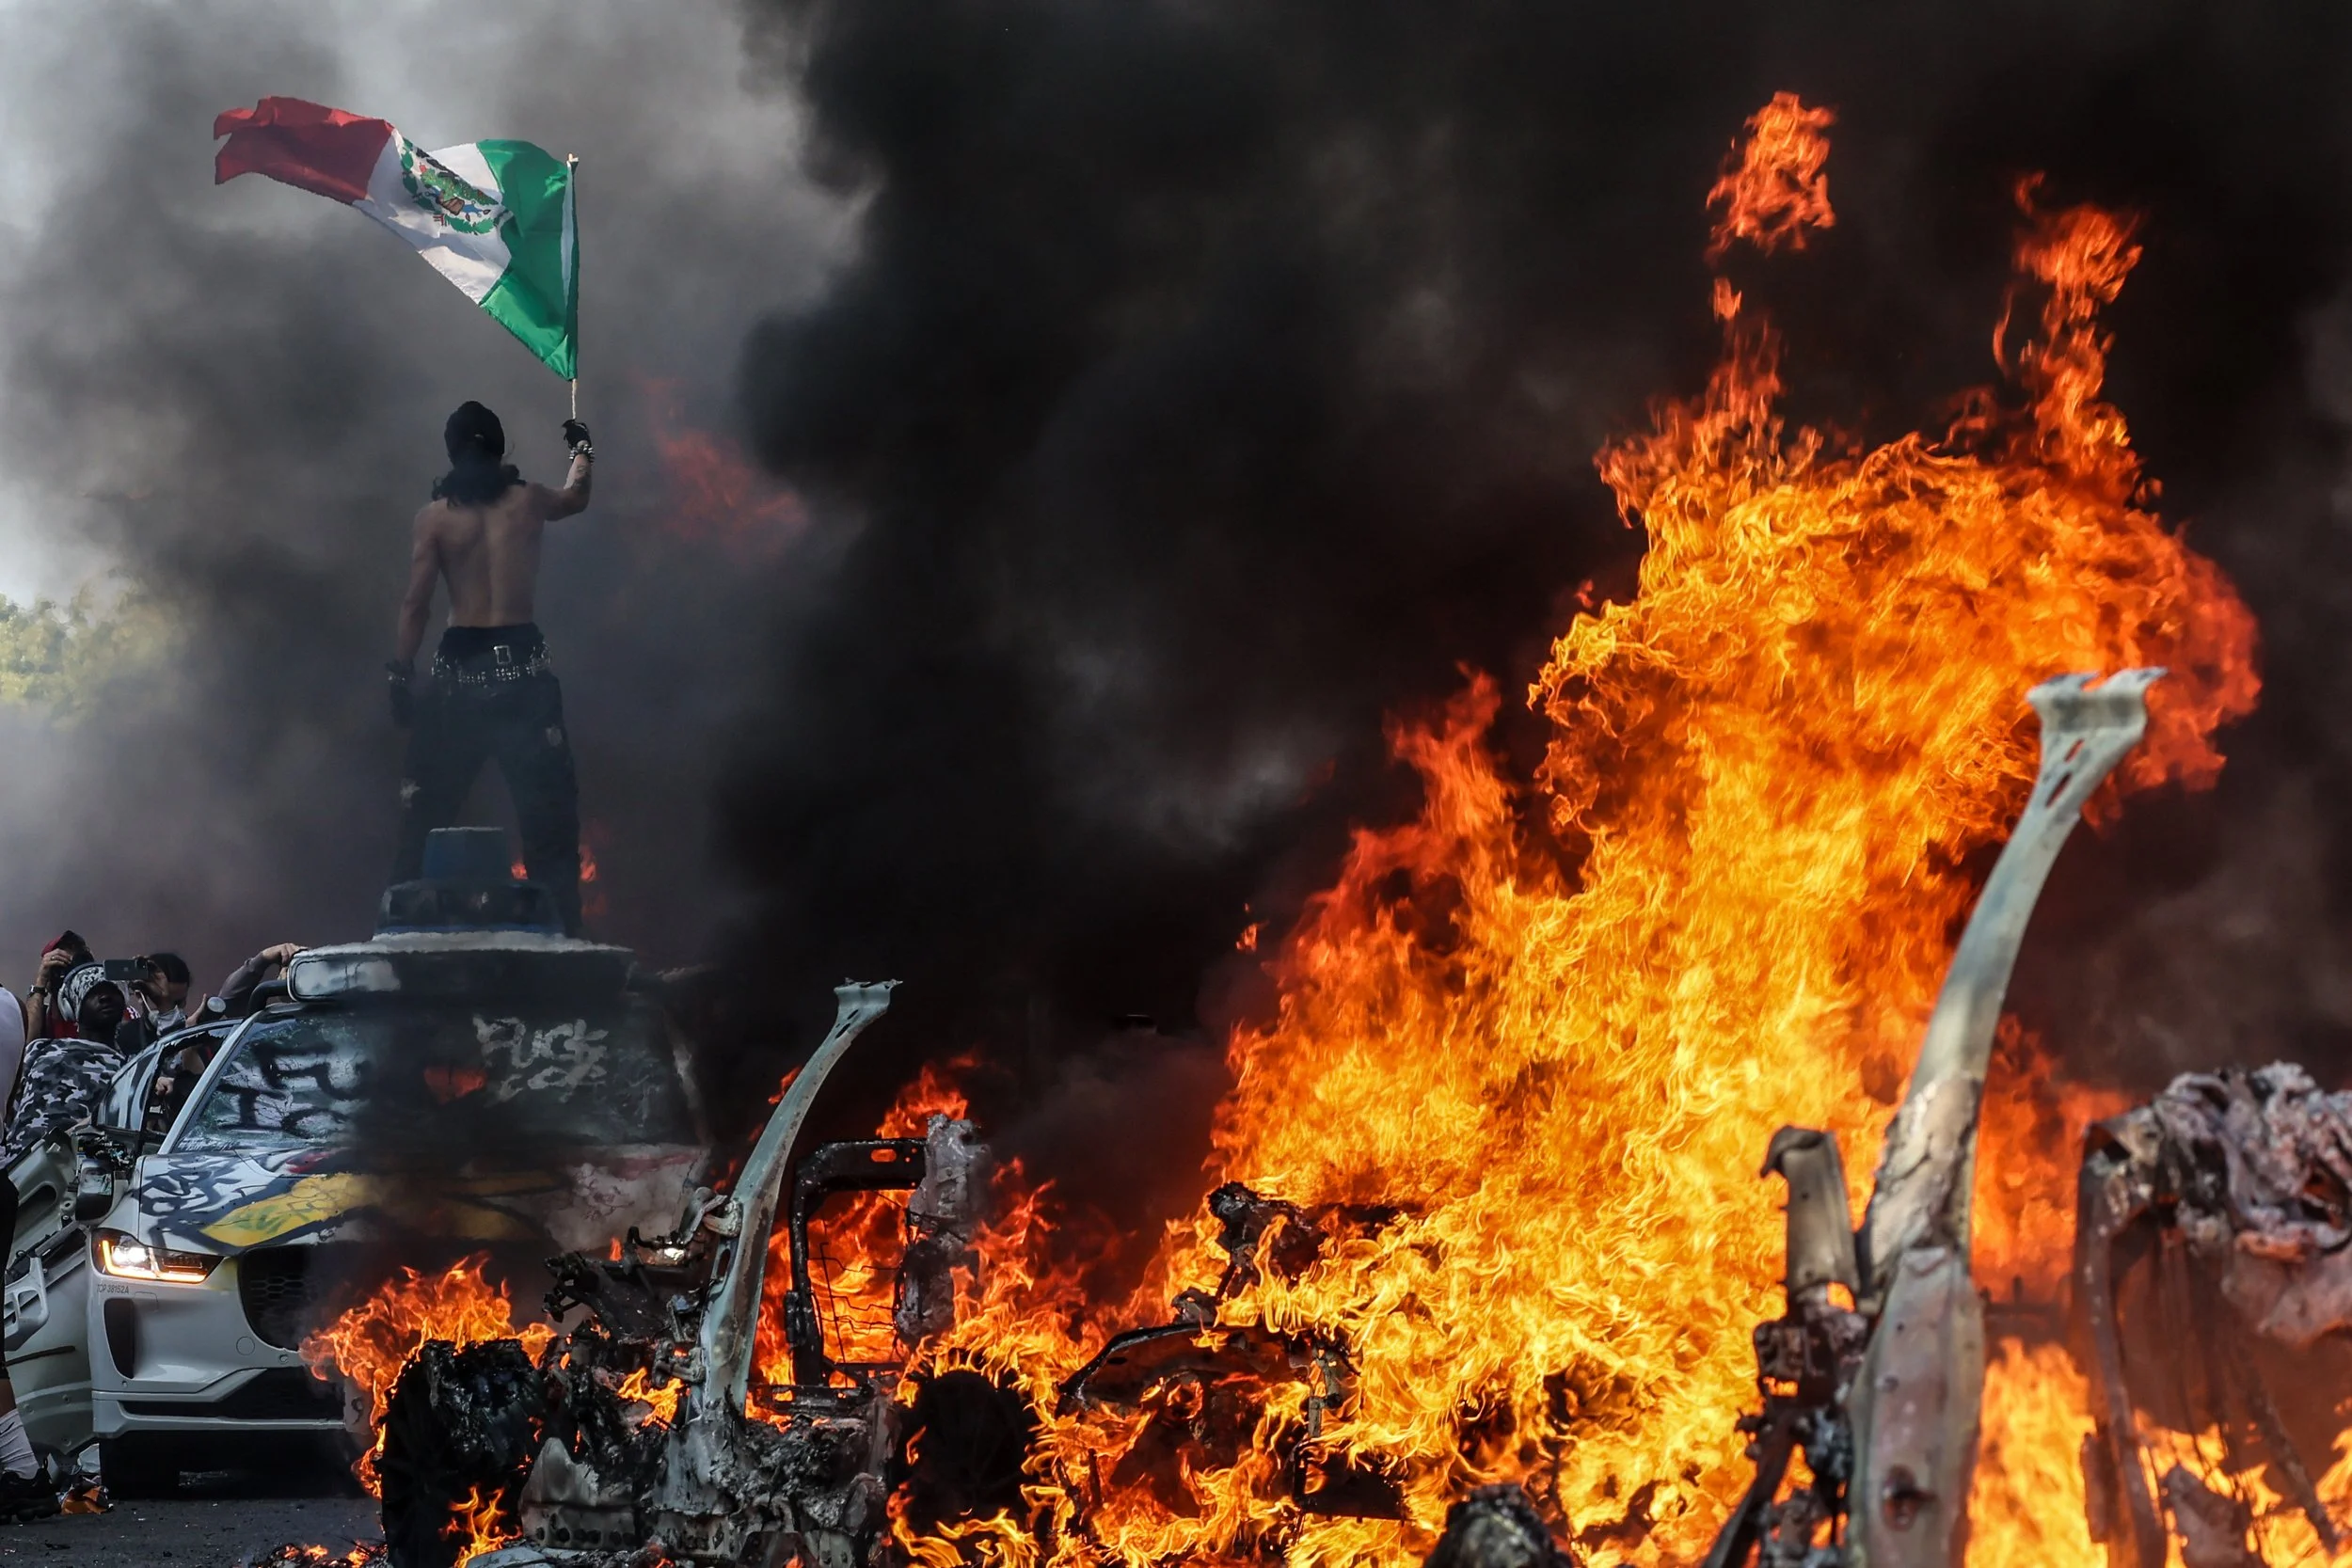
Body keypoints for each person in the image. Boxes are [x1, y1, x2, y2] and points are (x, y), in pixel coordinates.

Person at [387, 402, 595, 935]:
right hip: (525, 676)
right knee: (548, 826)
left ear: (452, 451)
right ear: (501, 447)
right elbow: (577, 497)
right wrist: (581, 450)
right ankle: (566, 945)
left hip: (459, 681)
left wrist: (400, 673)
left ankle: (398, 942)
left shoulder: (434, 518)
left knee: (422, 820)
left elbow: (417, 604)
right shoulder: (528, 501)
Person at [20, 932, 91, 1043]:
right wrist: (41, 982)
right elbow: (26, 1045)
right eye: (63, 966)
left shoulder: (105, 1005)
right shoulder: (41, 1017)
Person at [134, 952, 192, 1035]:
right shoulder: (126, 1036)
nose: (174, 1011)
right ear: (139, 995)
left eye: (177, 1003)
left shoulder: (193, 1030)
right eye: (157, 999)